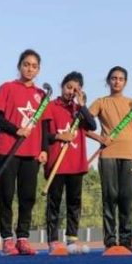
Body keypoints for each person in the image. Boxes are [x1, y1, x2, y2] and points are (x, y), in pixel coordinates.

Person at [0, 50, 48, 255]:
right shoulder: (7, 88)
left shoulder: (42, 95)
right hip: (8, 149)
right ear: (19, 66)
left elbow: (45, 127)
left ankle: (22, 237)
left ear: (38, 69)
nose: (29, 69)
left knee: (27, 196)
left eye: (34, 66)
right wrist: (16, 130)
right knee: (6, 195)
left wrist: (44, 149)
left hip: (31, 153)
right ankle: (7, 239)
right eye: (26, 64)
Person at [88, 66, 132, 253]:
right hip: (108, 155)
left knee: (126, 198)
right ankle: (110, 240)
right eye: (113, 78)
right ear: (108, 81)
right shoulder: (100, 102)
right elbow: (84, 125)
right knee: (110, 198)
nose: (117, 81)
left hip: (129, 155)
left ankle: (126, 240)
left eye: (121, 79)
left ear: (125, 82)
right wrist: (99, 138)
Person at [41, 71, 97, 254]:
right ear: (62, 86)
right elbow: (43, 135)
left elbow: (92, 125)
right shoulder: (50, 106)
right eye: (69, 87)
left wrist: (82, 106)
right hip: (57, 162)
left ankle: (72, 239)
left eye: (76, 89)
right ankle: (53, 240)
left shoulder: (79, 110)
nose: (71, 91)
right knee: (54, 202)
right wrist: (59, 136)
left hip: (76, 163)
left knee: (74, 202)